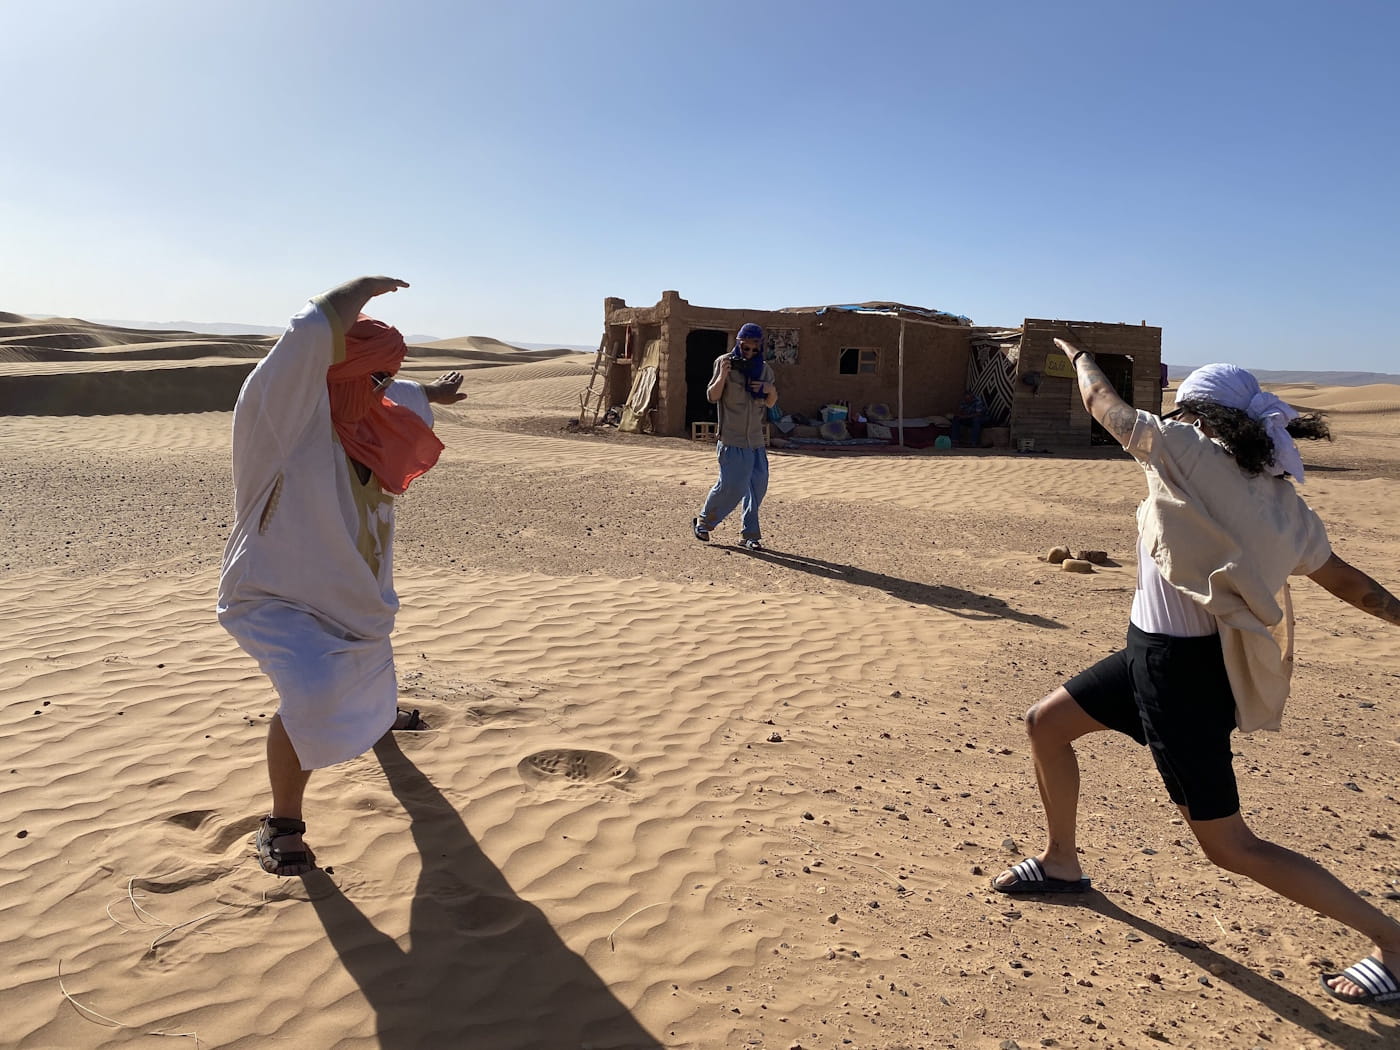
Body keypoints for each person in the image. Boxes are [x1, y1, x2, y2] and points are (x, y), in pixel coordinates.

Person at [993, 338, 1400, 1008]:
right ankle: (1062, 862)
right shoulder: (1283, 504)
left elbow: (1102, 404)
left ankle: (1391, 938)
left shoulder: (1186, 456)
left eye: (1182, 409)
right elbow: (1350, 583)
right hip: (1150, 657)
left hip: (1180, 679)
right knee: (1046, 724)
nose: (1174, 418)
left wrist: (1075, 353)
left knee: (1230, 845)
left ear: (1204, 419)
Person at [217, 275, 465, 877]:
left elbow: (396, 388)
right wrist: (352, 293)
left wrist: (431, 389)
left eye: (385, 380)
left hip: (357, 599)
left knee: (371, 671)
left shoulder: (377, 416)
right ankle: (282, 824)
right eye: (368, 377)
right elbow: (303, 347)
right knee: (312, 694)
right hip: (279, 596)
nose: (379, 391)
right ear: (328, 376)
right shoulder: (280, 422)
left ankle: (378, 722)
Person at [692, 322, 777, 551]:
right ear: (738, 343)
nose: (748, 353)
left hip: (756, 441)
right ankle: (704, 522)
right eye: (745, 347)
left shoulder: (764, 370)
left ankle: (749, 535)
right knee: (732, 486)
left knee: (757, 487)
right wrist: (722, 375)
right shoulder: (724, 362)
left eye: (753, 349)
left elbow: (770, 403)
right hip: (732, 439)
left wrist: (770, 390)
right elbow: (712, 395)